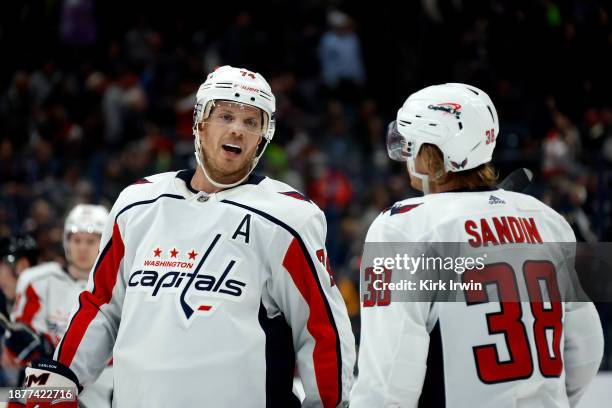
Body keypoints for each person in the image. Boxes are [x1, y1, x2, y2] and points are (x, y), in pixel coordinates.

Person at [23, 65, 355, 407]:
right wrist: (58, 378)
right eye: (225, 115)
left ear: (263, 136)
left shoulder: (288, 218)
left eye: (251, 122)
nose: (238, 129)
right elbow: (102, 306)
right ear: (200, 123)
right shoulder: (137, 203)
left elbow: (321, 330)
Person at [350, 83, 604, 407]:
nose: (405, 155)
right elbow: (587, 348)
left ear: (433, 154)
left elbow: (388, 382)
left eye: (411, 144)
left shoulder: (406, 228)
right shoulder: (547, 221)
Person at [5, 204, 113, 407]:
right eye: (77, 240)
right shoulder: (38, 280)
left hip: (101, 391)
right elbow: (20, 344)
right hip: (45, 387)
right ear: (66, 241)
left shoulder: (117, 288)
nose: (82, 248)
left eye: (91, 241)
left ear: (104, 243)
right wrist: (26, 345)